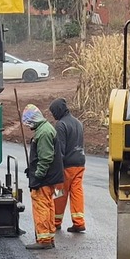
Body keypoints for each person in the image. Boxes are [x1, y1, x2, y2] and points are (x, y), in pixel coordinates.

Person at [21, 104, 62, 250]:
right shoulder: (46, 129)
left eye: (28, 123)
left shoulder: (43, 133)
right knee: (48, 204)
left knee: (41, 205)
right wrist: (31, 169)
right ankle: (48, 237)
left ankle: (43, 240)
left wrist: (37, 175)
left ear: (32, 120)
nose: (28, 126)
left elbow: (45, 158)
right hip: (50, 177)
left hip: (44, 178)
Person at [49, 98, 87, 234]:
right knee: (77, 192)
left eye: (53, 112)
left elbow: (60, 150)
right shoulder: (78, 123)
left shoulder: (61, 125)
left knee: (60, 193)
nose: (53, 115)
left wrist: (55, 168)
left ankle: (55, 221)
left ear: (58, 111)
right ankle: (79, 222)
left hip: (66, 165)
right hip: (80, 162)